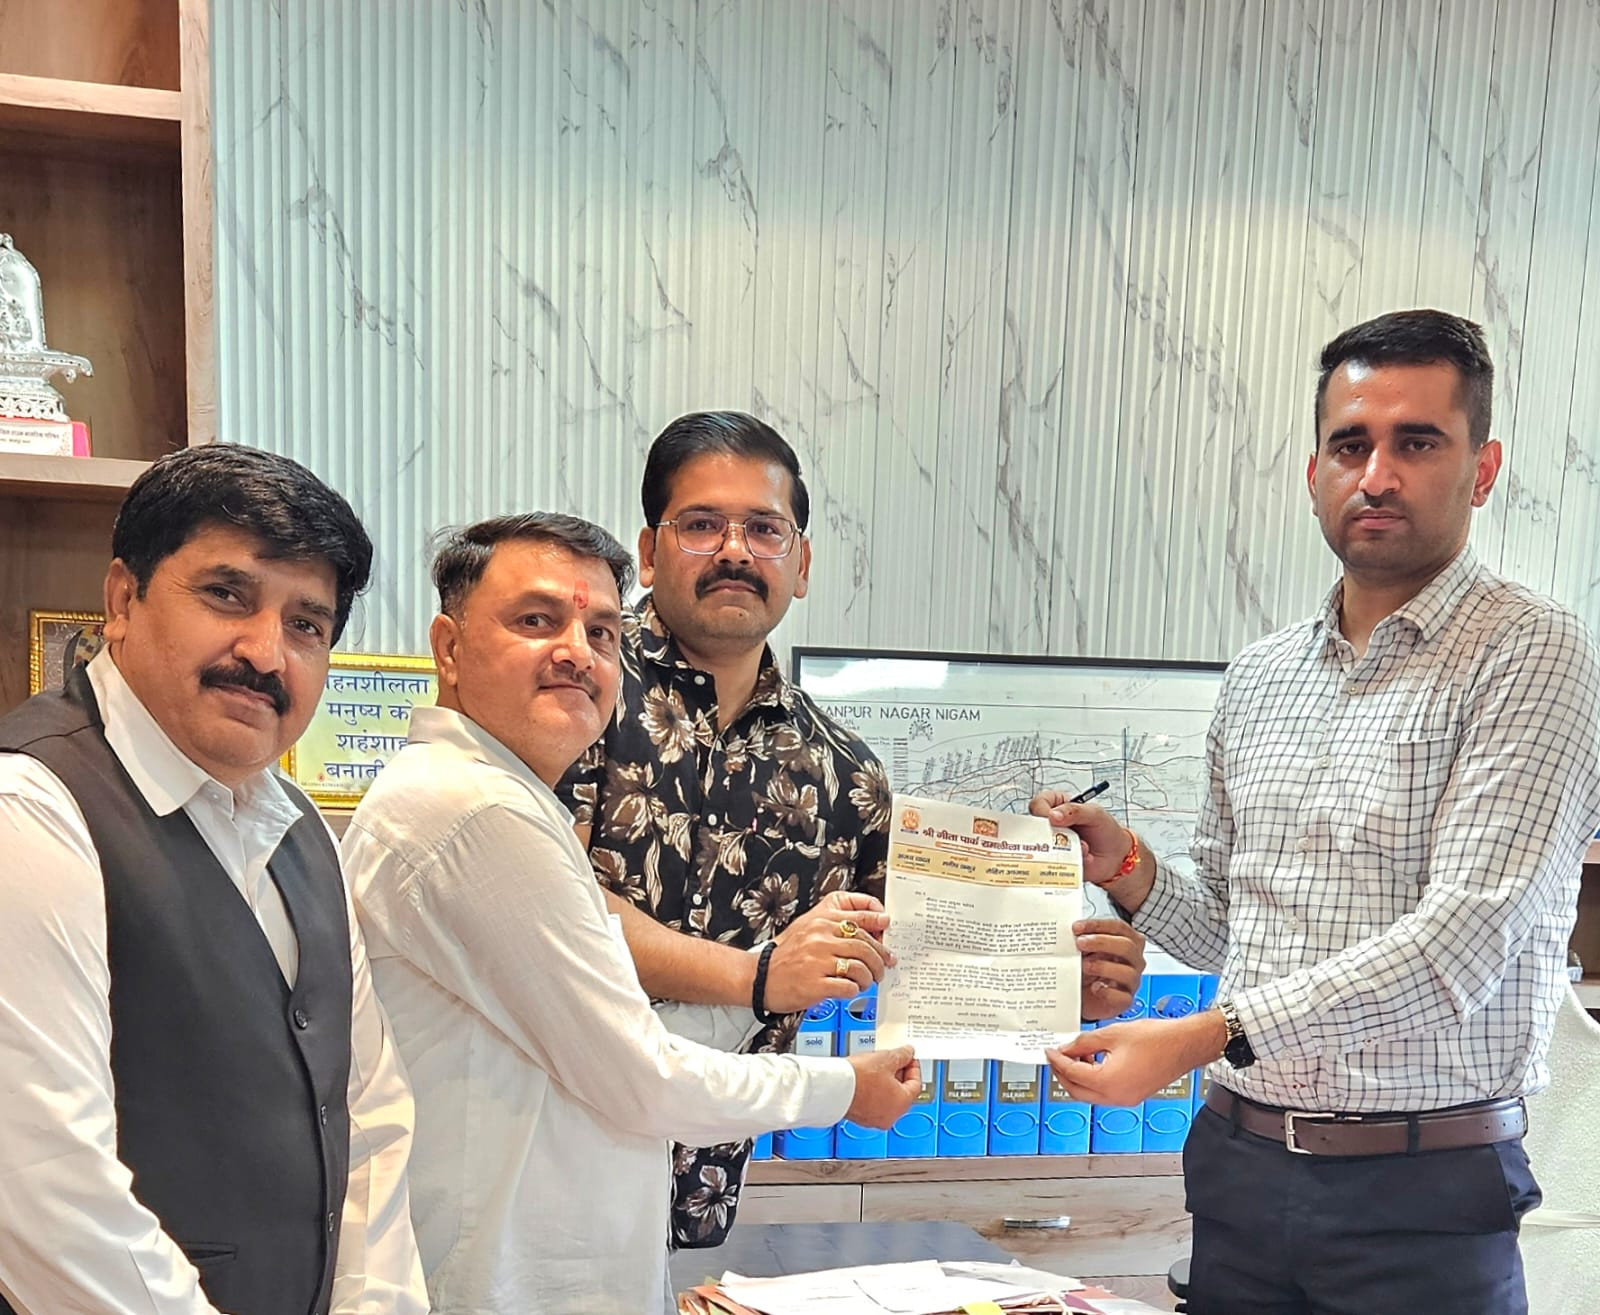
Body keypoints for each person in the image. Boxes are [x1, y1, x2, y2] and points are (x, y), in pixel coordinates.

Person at [1032, 309, 1600, 1315]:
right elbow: (1234, 930)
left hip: (1421, 1191)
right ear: (1313, 473)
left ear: (1482, 468)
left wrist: (1202, 1035)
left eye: (1416, 442)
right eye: (1350, 444)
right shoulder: (1260, 677)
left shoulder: (1533, 652)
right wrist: (1126, 865)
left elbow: (1462, 944)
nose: (1376, 475)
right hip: (1239, 1171)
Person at [559, 410, 1149, 1244]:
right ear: (650, 553)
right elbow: (550, 911)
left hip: (695, 1187)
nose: (735, 550)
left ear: (800, 564)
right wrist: (760, 975)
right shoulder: (576, 692)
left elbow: (917, 945)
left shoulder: (843, 770)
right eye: (701, 524)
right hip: (539, 1150)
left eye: (765, 529)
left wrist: (1052, 977)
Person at [343, 512, 922, 1315]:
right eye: (536, 620)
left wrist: (779, 982)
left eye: (602, 633)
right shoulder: (474, 808)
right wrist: (841, 1087)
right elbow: (645, 1077)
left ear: (802, 562)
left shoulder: (511, 800)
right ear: (449, 648)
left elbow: (621, 1039)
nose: (577, 652)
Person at [0, 445, 427, 1315]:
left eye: (306, 625)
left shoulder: (302, 829)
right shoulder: (32, 810)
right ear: (123, 599)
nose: (266, 652)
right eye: (227, 594)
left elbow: (369, 1113)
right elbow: (44, 1188)